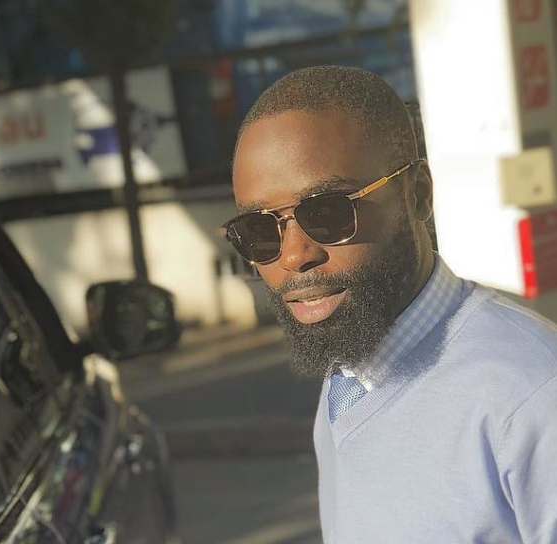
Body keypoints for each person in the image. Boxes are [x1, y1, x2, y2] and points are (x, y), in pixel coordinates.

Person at [225, 65, 557, 543]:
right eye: (259, 230)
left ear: (417, 194)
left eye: (327, 212)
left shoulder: (530, 394)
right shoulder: (348, 377)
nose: (295, 255)